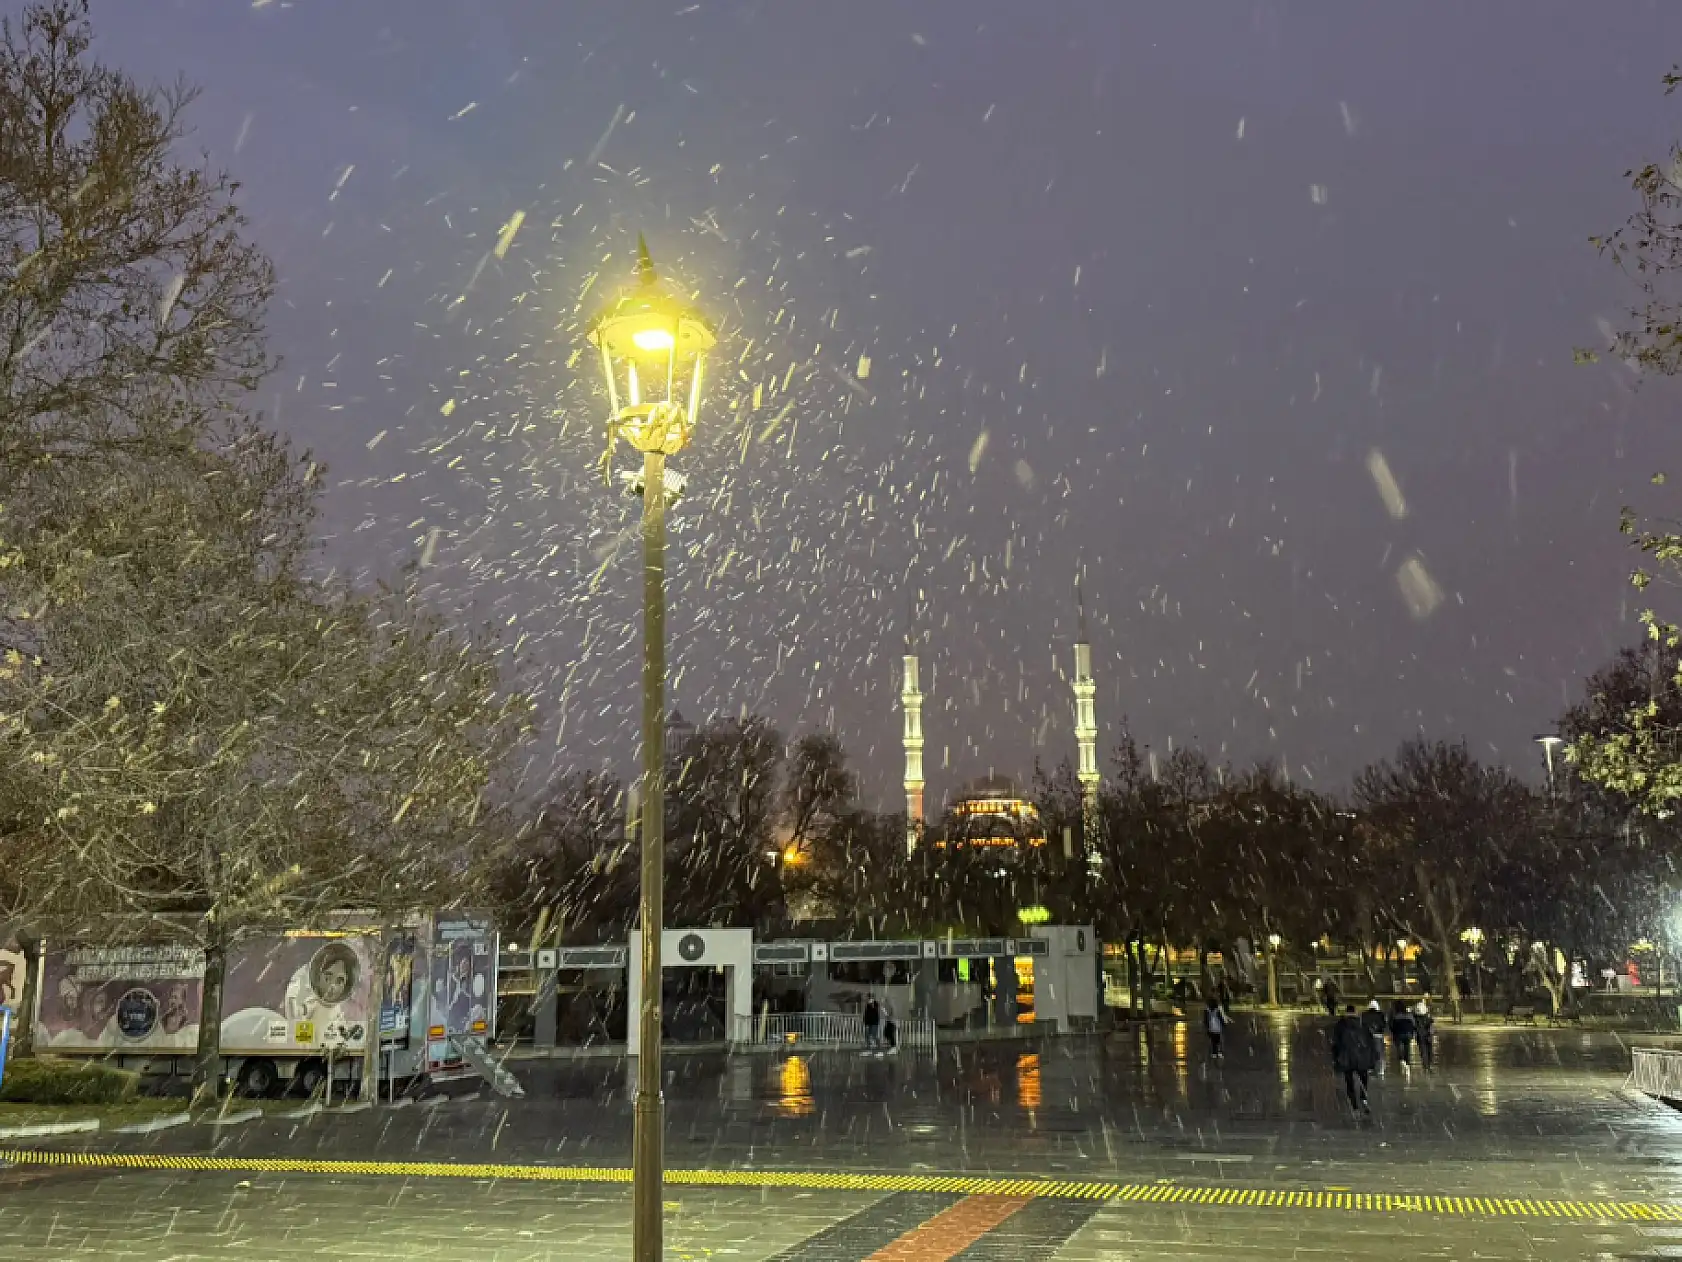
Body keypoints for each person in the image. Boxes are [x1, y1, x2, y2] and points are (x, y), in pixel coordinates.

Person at [1332, 1003, 1375, 1113]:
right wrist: (1372, 1057)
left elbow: (1335, 1042)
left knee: (1349, 1080)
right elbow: (1370, 1041)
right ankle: (1364, 1097)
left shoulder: (1341, 1024)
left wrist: (1336, 1058)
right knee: (1363, 1077)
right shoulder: (1362, 1024)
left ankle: (1354, 1104)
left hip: (1346, 1056)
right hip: (1361, 1055)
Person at [1360, 999, 1387, 1076]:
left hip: (1367, 1035)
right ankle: (1381, 1069)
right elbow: (1383, 1024)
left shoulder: (1364, 1014)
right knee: (1379, 1052)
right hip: (1378, 1035)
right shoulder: (1381, 1014)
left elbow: (1362, 1025)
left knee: (1369, 1052)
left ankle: (1371, 1068)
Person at [1389, 999, 1417, 1074]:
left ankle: (1402, 1060)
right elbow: (1414, 1025)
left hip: (1398, 1034)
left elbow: (1392, 1026)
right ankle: (1407, 1063)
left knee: (1399, 1048)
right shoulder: (1409, 1015)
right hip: (1408, 1034)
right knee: (1407, 1048)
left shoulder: (1396, 1016)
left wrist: (1393, 1033)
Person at [1203, 995, 1228, 1061]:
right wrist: (1224, 1024)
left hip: (1211, 1028)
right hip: (1217, 1027)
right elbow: (1221, 1018)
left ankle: (1215, 1052)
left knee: (1213, 1041)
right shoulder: (1217, 1010)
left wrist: (1206, 1027)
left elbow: (1205, 1020)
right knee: (1218, 1040)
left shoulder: (1207, 1011)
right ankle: (1218, 1052)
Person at [1414, 999, 1435, 1072]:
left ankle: (1426, 1066)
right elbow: (1431, 1025)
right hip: (1428, 1035)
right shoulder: (1427, 1017)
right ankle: (1430, 1065)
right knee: (1429, 1050)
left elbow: (1414, 1027)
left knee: (1423, 1051)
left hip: (1420, 1036)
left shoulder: (1415, 1018)